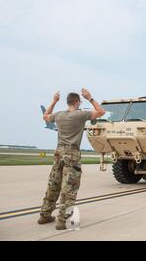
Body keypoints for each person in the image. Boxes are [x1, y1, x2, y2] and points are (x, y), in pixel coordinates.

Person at [38, 89, 105, 230]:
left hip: (59, 153)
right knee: (69, 188)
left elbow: (45, 116)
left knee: (53, 184)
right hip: (72, 154)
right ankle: (61, 220)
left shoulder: (59, 115)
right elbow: (101, 112)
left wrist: (54, 101)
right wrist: (90, 98)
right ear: (76, 102)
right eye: (79, 101)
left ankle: (44, 215)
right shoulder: (81, 115)